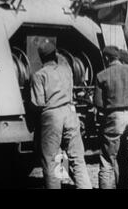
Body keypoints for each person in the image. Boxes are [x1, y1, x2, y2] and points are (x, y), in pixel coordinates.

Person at [30, 40, 91, 189]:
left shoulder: (39, 75)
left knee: (51, 159)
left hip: (52, 116)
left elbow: (38, 103)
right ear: (55, 54)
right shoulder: (67, 70)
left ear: (41, 57)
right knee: (77, 158)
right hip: (70, 114)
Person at [93, 46, 128, 189]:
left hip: (114, 118)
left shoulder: (102, 75)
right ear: (118, 57)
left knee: (107, 162)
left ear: (106, 58)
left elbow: (98, 103)